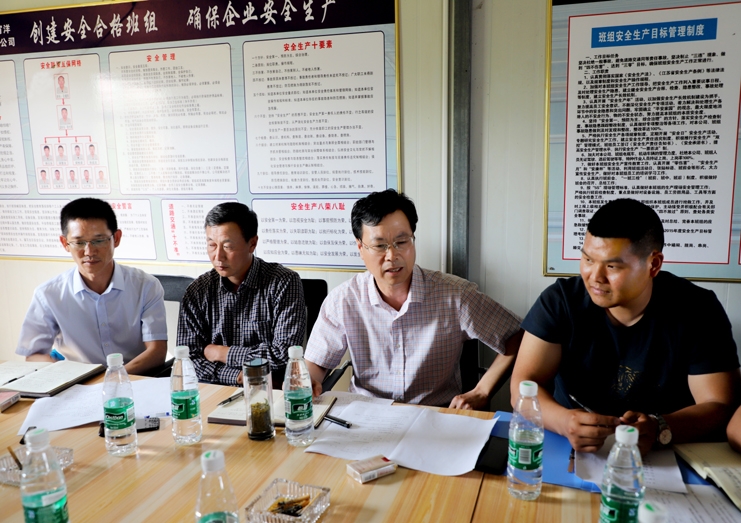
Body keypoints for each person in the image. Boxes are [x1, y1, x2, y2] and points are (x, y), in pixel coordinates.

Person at [511, 198, 740, 456]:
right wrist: (564, 421)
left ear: (653, 264)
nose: (595, 277)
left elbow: (720, 405)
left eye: (612, 266)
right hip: (572, 446)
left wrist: (660, 427)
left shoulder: (698, 309)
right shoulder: (560, 301)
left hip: (665, 452)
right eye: (588, 259)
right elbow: (523, 385)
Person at [304, 189, 522, 408]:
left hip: (436, 414)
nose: (392, 256)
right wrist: (307, 381)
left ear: (413, 239)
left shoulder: (455, 295)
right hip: (368, 415)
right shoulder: (343, 300)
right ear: (361, 248)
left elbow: (517, 335)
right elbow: (317, 363)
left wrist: (483, 391)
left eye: (402, 242)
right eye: (379, 246)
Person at [16, 198, 168, 375]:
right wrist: (65, 374)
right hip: (78, 382)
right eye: (79, 242)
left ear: (116, 238)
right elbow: (34, 355)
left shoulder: (146, 286)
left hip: (134, 378)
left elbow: (157, 351)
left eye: (99, 240)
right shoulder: (48, 294)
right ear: (65, 243)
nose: (89, 251)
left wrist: (112, 379)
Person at [177, 202, 306, 386]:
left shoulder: (283, 283)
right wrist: (240, 376)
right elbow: (187, 360)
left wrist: (222, 353)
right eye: (212, 245)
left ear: (252, 244)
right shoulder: (198, 291)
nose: (218, 256)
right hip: (214, 390)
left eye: (228, 246)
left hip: (269, 391)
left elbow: (284, 354)